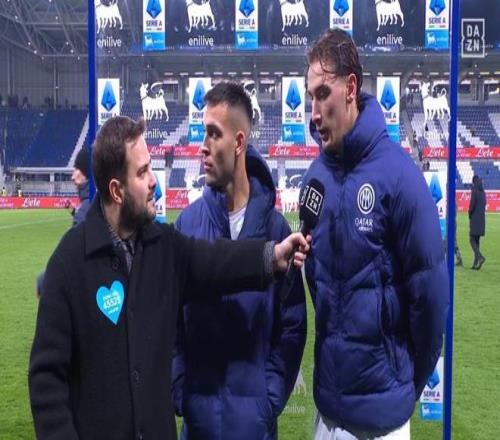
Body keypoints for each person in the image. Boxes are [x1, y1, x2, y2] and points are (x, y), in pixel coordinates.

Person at [28, 116, 310, 440]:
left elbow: (217, 261)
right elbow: (46, 378)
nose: (153, 182)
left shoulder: (164, 247)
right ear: (117, 191)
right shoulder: (70, 261)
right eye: (142, 173)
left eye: (150, 168)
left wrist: (271, 256)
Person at [304, 29, 449, 439]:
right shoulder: (315, 177)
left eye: (323, 94)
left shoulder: (400, 178)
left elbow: (431, 301)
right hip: (326, 413)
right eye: (310, 97)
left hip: (382, 422)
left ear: (351, 88)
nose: (314, 112)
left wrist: (402, 386)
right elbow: (317, 283)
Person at [172, 82, 307, 439]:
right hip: (198, 427)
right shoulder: (186, 226)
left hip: (255, 428)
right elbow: (171, 322)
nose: (202, 146)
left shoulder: (276, 231)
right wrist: (182, 391)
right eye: (204, 133)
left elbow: (292, 326)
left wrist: (268, 400)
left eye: (214, 133)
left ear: (239, 142)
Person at [35, 148, 91, 298]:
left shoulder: (88, 209)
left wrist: (44, 281)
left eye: (77, 169)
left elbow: (70, 257)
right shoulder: (99, 202)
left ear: (86, 173)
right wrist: (75, 212)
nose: (72, 176)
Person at [468, 175, 486, 270]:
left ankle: (480, 257)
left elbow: (472, 205)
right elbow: (485, 204)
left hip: (475, 219)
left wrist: (469, 214)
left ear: (473, 182)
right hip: (482, 219)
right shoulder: (483, 191)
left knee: (471, 239)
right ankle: (475, 264)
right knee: (477, 241)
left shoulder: (474, 190)